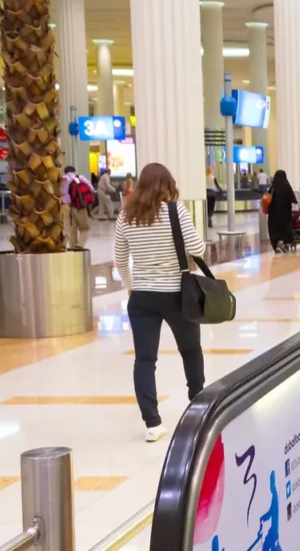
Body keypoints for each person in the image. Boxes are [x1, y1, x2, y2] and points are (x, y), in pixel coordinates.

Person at [113, 162, 207, 442]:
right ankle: (197, 407)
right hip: (178, 294)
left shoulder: (125, 216)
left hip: (142, 297)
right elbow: (199, 249)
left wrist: (131, 286)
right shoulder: (176, 212)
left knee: (144, 359)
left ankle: (152, 423)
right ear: (167, 185)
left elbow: (119, 260)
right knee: (190, 351)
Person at [60, 165, 94, 250]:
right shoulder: (79, 177)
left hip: (66, 206)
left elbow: (60, 192)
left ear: (65, 172)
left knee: (72, 229)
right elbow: (91, 188)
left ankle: (71, 246)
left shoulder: (63, 178)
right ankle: (79, 245)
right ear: (74, 171)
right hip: (78, 206)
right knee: (85, 228)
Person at [266, 170, 297, 252]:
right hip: (285, 213)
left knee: (274, 228)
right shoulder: (287, 186)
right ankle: (282, 241)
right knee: (284, 227)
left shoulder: (273, 187)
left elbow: (268, 198)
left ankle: (276, 244)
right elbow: (293, 200)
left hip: (273, 213)